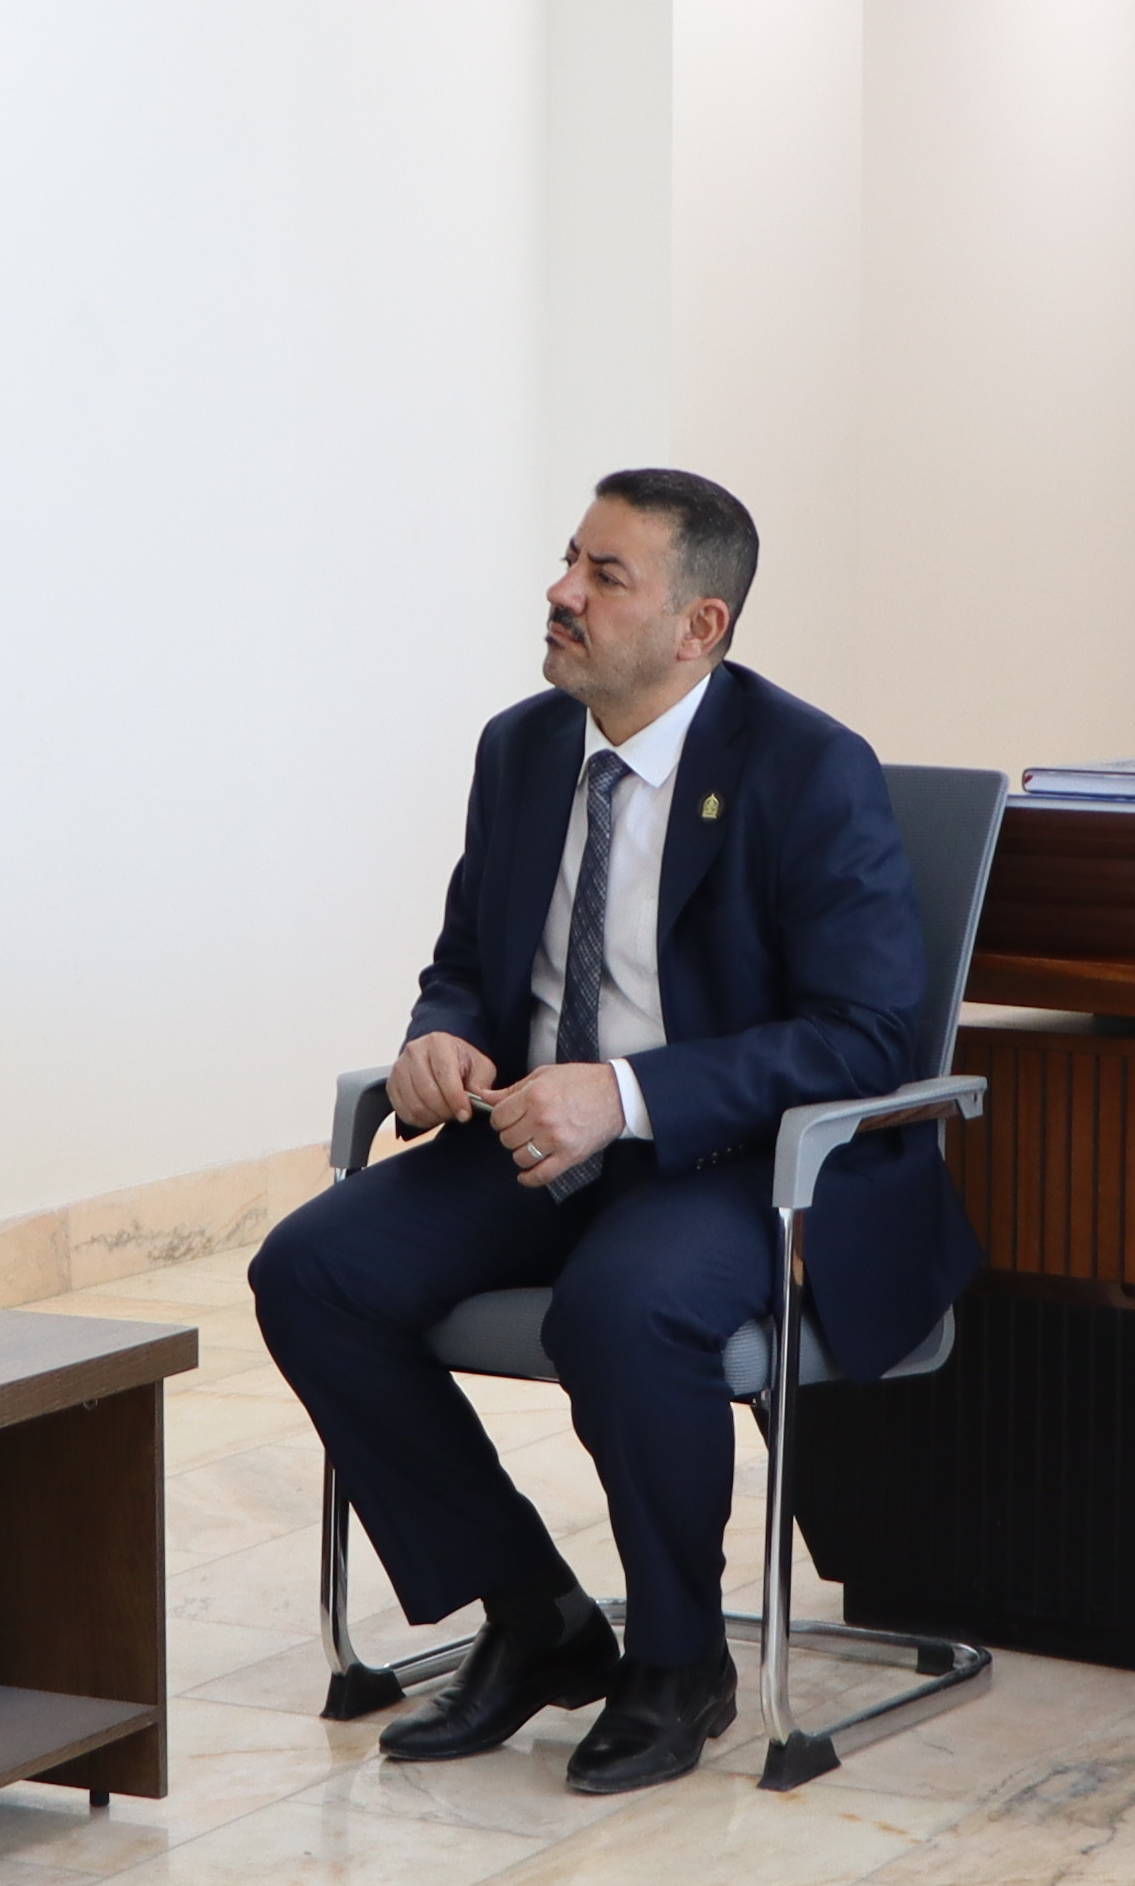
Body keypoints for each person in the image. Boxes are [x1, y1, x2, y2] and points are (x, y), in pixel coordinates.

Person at [251, 470, 980, 1794]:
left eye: (605, 574)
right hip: (530, 1137)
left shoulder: (809, 769)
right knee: (311, 1272)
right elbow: (468, 963)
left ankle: (681, 1661)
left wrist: (627, 1095)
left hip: (729, 1155)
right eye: (569, 560)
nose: (562, 592)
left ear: (700, 626)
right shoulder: (521, 749)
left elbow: (866, 1033)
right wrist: (439, 1037)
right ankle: (536, 1616)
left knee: (624, 1306)